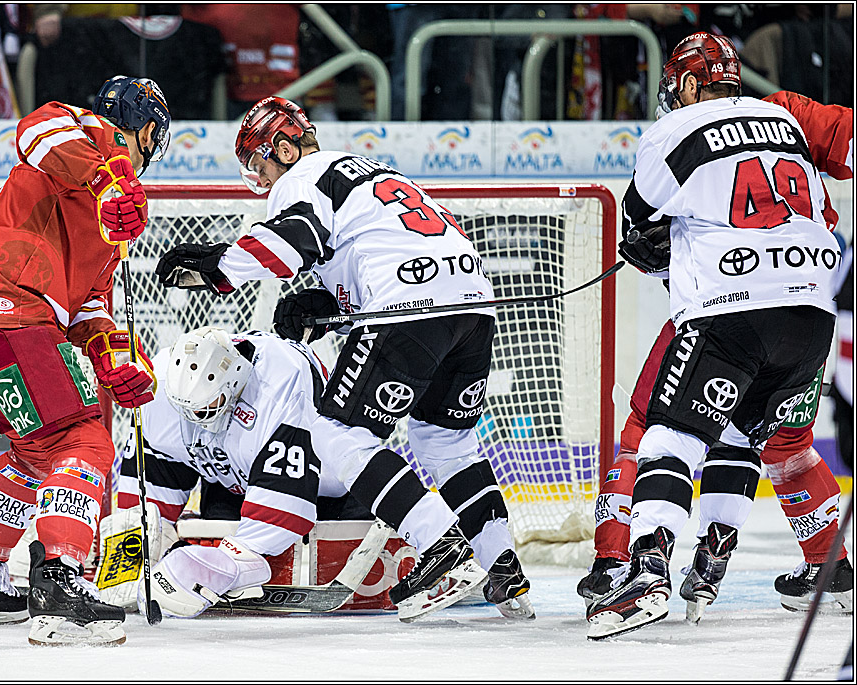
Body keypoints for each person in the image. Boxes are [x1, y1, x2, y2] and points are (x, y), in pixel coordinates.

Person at [153, 96, 533, 620]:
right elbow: (374, 247)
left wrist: (214, 266)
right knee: (447, 444)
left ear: (284, 147)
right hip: (474, 306)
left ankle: (443, 549)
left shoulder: (303, 176)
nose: (261, 181)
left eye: (261, 164)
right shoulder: (369, 170)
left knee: (335, 437)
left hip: (405, 306)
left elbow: (293, 243)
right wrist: (328, 303)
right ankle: (503, 569)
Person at [586, 33, 841, 640]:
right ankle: (711, 564)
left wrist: (650, 245)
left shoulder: (673, 131)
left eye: (677, 85)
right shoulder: (784, 119)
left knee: (665, 438)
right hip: (811, 315)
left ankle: (644, 576)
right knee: (745, 442)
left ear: (692, 84)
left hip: (731, 310)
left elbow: (640, 221)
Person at [0, 75, 171, 646]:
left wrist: (115, 356)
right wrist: (108, 179)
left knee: (37, 450)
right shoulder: (83, 132)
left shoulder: (111, 218)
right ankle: (59, 584)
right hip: (5, 306)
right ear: (149, 131)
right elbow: (35, 129)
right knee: (84, 442)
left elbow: (88, 305)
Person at [99, 327, 384, 617]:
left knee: (330, 528)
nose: (195, 417)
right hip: (237, 480)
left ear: (234, 383)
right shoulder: (161, 386)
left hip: (328, 487)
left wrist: (231, 563)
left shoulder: (279, 382)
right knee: (203, 515)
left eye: (207, 406)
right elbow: (151, 481)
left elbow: (288, 507)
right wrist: (136, 550)